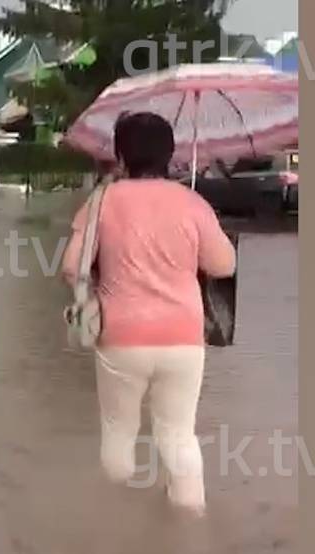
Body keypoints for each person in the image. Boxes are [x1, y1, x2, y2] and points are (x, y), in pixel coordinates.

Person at [61, 112, 237, 512]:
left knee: (118, 431)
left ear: (121, 154)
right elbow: (225, 265)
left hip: (120, 337)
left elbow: (71, 267)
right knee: (179, 435)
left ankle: (117, 518)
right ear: (170, 154)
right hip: (184, 337)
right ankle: (191, 520)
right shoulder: (192, 202)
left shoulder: (102, 200)